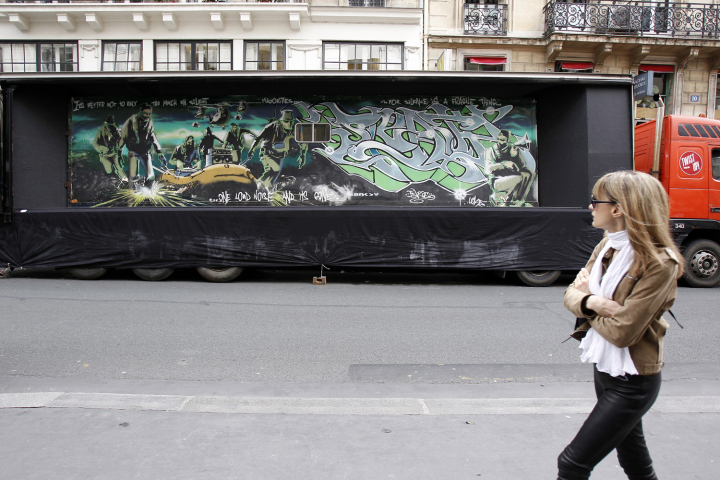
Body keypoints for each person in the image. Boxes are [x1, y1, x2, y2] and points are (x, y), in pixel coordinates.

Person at [558, 170, 683, 480]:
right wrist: (596, 303)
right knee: (635, 459)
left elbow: (623, 332)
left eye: (594, 200)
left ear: (618, 208)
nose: (590, 207)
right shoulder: (607, 247)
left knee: (572, 463)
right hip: (605, 369)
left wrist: (584, 299)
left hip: (633, 381)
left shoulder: (660, 262)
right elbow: (570, 294)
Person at [248, 110, 307, 188]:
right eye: (286, 121)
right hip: (267, 153)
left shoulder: (294, 128)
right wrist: (251, 150)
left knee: (271, 172)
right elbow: (258, 138)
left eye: (290, 121)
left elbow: (303, 142)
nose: (289, 124)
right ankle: (260, 186)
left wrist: (303, 155)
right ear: (281, 121)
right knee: (275, 170)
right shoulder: (272, 126)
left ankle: (261, 186)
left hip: (280, 155)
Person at [119, 104, 166, 188]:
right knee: (133, 176)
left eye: (149, 114)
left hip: (145, 151)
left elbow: (153, 138)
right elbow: (124, 136)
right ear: (141, 112)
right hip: (133, 151)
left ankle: (149, 191)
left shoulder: (149, 122)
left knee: (151, 176)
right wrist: (119, 152)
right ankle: (135, 191)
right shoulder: (131, 121)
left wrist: (160, 153)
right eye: (145, 114)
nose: (147, 116)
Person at [485, 129, 532, 205]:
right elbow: (487, 169)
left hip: (511, 177)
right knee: (521, 177)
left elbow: (523, 166)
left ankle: (517, 200)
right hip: (497, 180)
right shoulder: (491, 150)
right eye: (498, 139)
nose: (499, 142)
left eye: (503, 140)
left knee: (527, 173)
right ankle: (514, 201)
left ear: (507, 140)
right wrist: (503, 165)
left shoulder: (511, 148)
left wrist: (515, 156)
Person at [91, 115, 128, 185]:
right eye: (109, 124)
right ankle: (114, 183)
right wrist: (103, 148)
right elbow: (95, 143)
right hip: (105, 155)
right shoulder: (101, 131)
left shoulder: (115, 130)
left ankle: (125, 181)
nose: (111, 126)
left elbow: (120, 142)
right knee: (109, 171)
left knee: (119, 168)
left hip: (114, 153)